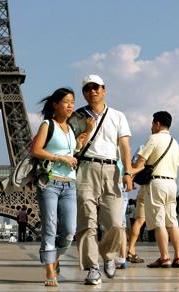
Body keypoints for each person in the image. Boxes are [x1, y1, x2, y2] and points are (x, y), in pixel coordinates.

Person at [68, 75, 133, 286]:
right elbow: (74, 147)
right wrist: (86, 129)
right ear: (84, 93)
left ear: (104, 90)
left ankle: (109, 255)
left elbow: (124, 146)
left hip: (111, 169)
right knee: (87, 221)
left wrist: (128, 172)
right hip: (86, 168)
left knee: (115, 223)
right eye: (87, 88)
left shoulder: (118, 116)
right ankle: (92, 267)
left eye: (96, 87)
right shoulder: (77, 117)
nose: (92, 91)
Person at [31, 87, 79, 287]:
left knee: (69, 230)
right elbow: (36, 150)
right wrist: (60, 157)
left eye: (72, 102)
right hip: (49, 182)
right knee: (50, 228)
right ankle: (50, 269)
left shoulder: (71, 129)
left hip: (69, 184)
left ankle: (54, 257)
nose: (70, 106)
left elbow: (73, 150)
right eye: (66, 101)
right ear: (55, 104)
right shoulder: (47, 124)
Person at [131, 111, 179, 268]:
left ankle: (165, 257)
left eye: (152, 123)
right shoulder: (176, 143)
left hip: (157, 183)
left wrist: (128, 174)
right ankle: (178, 257)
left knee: (159, 222)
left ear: (157, 124)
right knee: (172, 222)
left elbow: (139, 164)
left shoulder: (154, 139)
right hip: (172, 184)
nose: (151, 127)